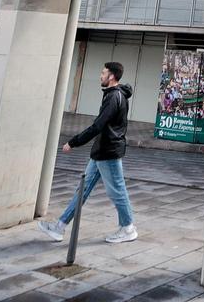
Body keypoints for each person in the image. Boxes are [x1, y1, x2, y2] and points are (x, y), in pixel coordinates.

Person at [36, 62, 137, 244]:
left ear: (112, 76)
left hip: (109, 153)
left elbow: (98, 126)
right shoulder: (114, 95)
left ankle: (128, 228)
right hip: (100, 152)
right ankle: (60, 227)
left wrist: (73, 142)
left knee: (117, 191)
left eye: (103, 72)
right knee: (81, 191)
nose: (101, 75)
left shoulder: (114, 97)